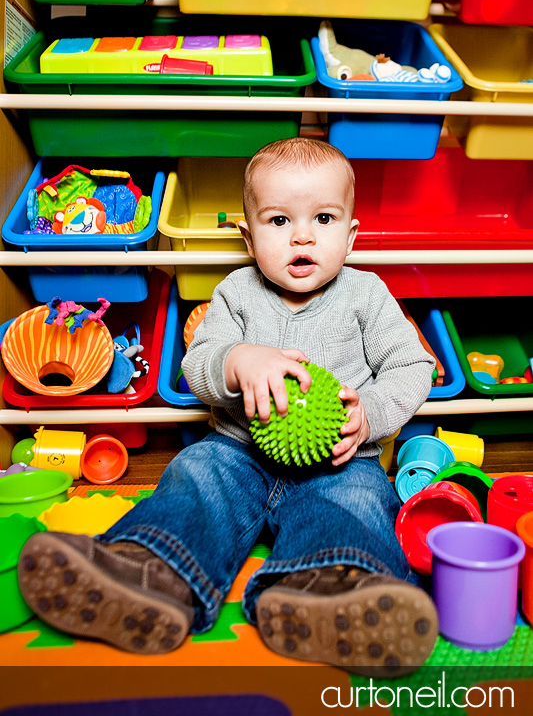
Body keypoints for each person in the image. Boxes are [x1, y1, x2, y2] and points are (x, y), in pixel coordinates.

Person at [18, 137, 438, 676]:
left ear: (351, 235)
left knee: (356, 502)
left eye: (325, 218)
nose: (303, 234)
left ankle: (332, 589)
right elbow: (199, 365)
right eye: (280, 220)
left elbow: (412, 367)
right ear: (249, 235)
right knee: (195, 476)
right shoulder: (236, 292)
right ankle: (149, 572)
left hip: (337, 461)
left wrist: (369, 415)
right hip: (237, 451)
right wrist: (238, 360)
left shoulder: (367, 295)